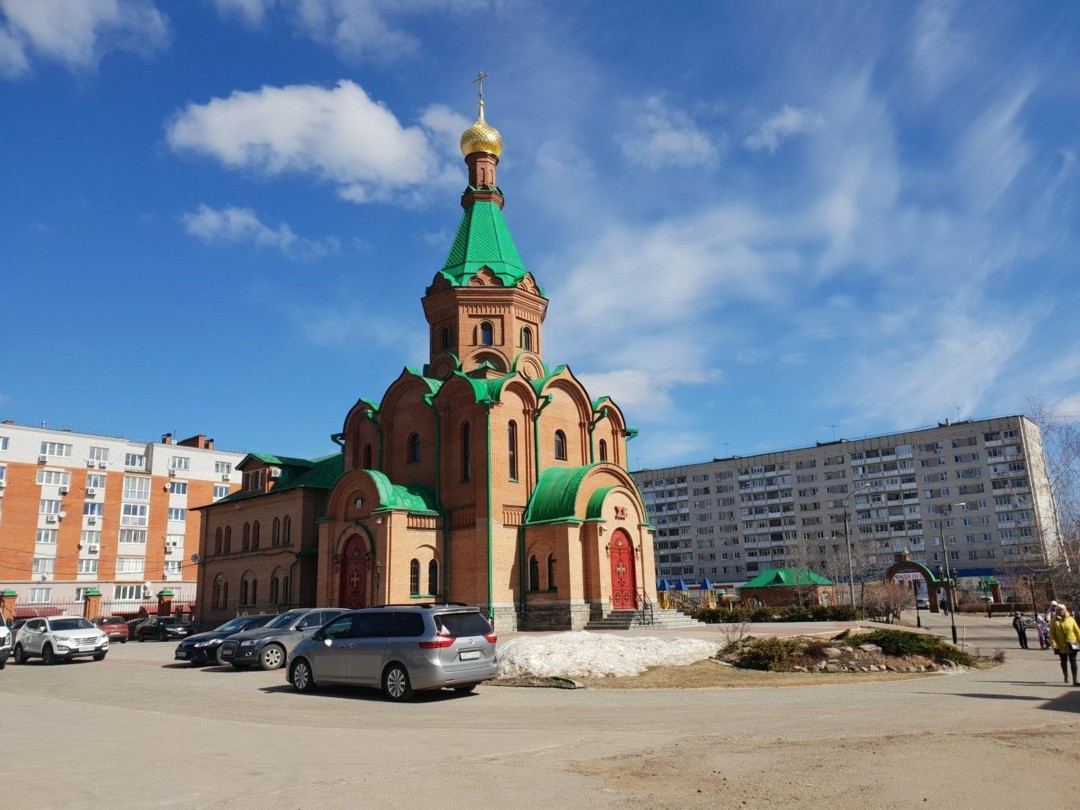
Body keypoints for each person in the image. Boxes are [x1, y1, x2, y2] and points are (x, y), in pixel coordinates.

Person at [1048, 603, 1080, 686]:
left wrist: (1079, 641)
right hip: (1060, 645)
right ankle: (1066, 675)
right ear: (1056, 611)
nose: (1061, 611)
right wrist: (1054, 644)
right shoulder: (1053, 621)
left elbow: (1077, 632)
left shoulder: (1071, 619)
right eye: (1059, 610)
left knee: (1073, 661)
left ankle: (1075, 680)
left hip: (1072, 643)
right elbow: (1052, 634)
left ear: (1065, 610)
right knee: (1064, 661)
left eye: (1062, 609)